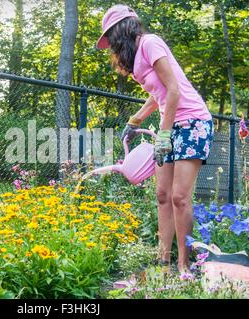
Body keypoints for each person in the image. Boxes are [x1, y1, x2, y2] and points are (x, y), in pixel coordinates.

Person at [96, 4, 214, 273]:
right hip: (168, 126)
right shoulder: (136, 59)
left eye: (111, 37)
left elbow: (173, 90)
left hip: (192, 122)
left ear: (122, 29)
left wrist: (163, 134)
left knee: (179, 197)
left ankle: (184, 265)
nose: (111, 46)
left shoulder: (150, 43)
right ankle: (163, 260)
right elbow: (157, 93)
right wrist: (134, 120)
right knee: (162, 195)